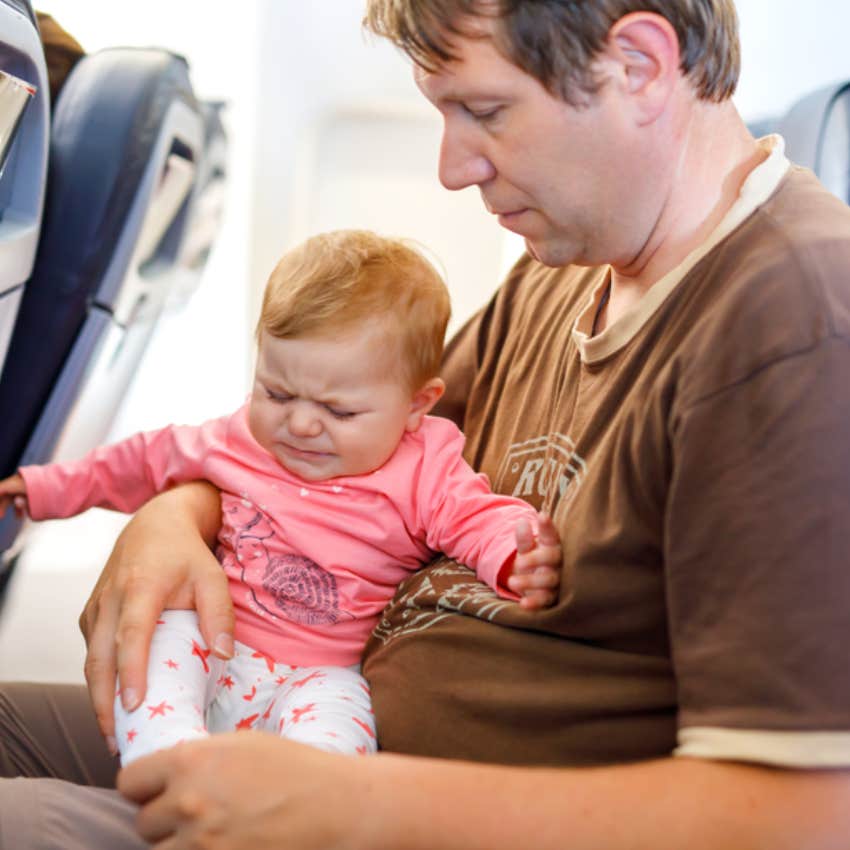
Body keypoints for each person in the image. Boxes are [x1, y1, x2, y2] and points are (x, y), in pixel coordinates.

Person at [3, 0, 850, 847]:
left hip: (384, 803)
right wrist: (174, 516)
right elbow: (342, 454)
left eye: (484, 113)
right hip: (299, 720)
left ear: (637, 65)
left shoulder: (792, 321)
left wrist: (354, 807)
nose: (451, 169)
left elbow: (806, 816)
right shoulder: (562, 273)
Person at [0, 228, 560, 766]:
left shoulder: (424, 468)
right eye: (276, 392)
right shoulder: (239, 437)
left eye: (338, 411)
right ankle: (168, 761)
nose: (300, 424)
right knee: (159, 638)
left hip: (321, 675)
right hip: (216, 641)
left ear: (417, 404)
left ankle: (286, 808)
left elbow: (476, 517)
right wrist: (43, 487)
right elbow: (141, 461)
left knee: (343, 730)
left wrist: (515, 554)